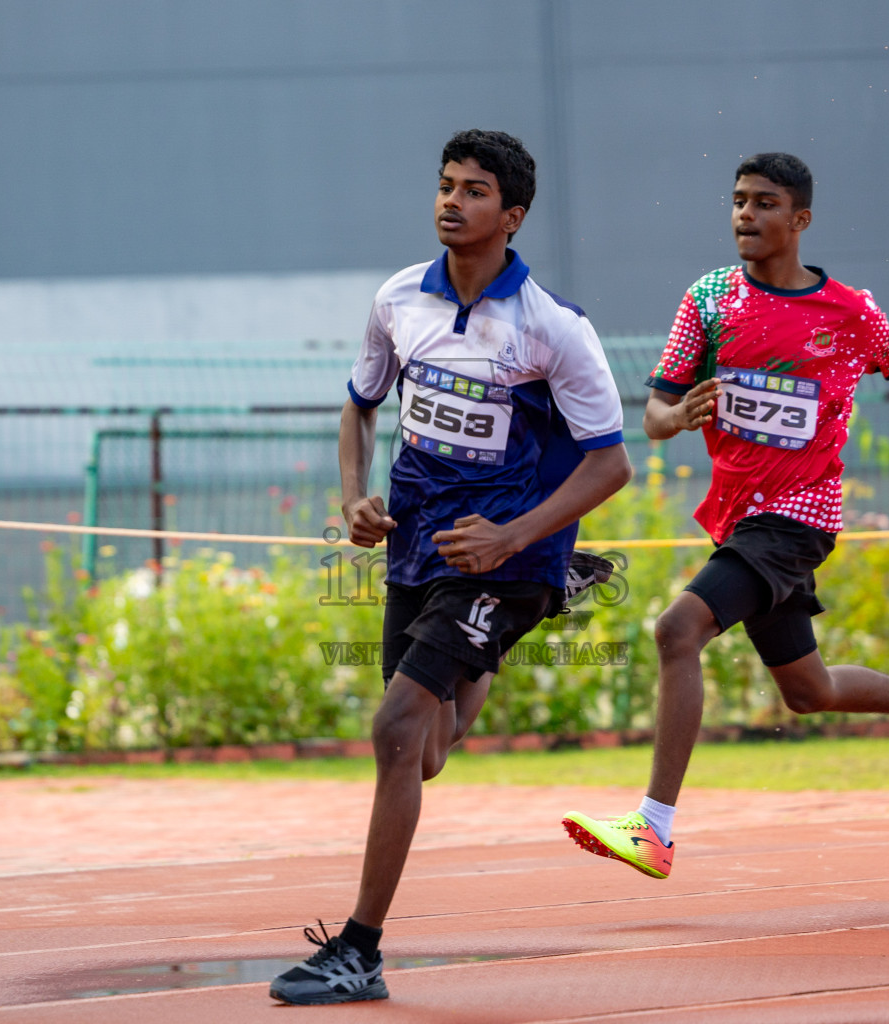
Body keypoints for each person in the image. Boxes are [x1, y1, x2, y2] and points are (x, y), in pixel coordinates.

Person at [268, 129, 631, 1005]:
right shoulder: (399, 300)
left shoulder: (553, 328)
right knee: (426, 754)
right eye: (444, 185)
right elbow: (358, 408)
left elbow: (610, 464)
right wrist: (355, 494)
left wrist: (515, 539)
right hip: (415, 547)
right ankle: (532, 613)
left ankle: (360, 951)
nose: (450, 201)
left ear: (510, 217)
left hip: (498, 554)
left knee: (395, 730)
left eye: (473, 191)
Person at [561, 153, 889, 882]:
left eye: (764, 203)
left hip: (799, 518)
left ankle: (655, 827)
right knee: (809, 691)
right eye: (737, 201)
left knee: (677, 630)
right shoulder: (707, 300)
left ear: (800, 221)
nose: (744, 215)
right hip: (738, 520)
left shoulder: (849, 312)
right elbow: (658, 414)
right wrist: (680, 414)